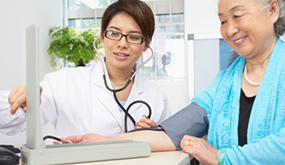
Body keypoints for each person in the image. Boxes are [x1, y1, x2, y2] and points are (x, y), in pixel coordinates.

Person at [59, 0, 285, 164]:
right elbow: (174, 131)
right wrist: (106, 141)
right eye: (223, 20)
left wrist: (221, 157)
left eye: (237, 16)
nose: (229, 29)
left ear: (273, 10)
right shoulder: (226, 81)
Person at [0, 0, 171, 138]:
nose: (122, 44)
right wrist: (22, 101)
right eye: (114, 33)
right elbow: (8, 123)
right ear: (102, 36)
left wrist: (156, 136)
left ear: (146, 44)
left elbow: (168, 145)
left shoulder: (156, 95)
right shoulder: (64, 81)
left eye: (134, 37)